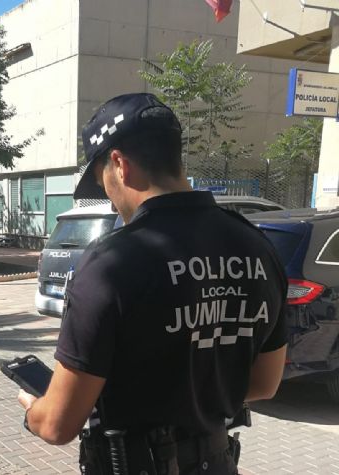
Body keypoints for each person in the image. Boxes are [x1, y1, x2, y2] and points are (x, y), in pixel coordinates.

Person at [17, 93, 288, 475]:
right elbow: (265, 383)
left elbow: (58, 425)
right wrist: (194, 392)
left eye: (103, 184)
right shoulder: (259, 248)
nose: (111, 204)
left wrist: (35, 412)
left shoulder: (109, 265)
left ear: (119, 165)